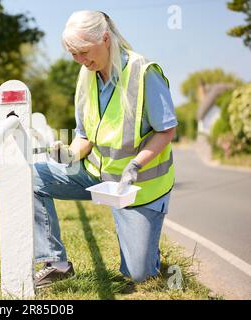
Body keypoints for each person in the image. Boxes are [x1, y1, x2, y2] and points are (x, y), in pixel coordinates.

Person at [33, 10, 177, 289]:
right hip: (97, 177)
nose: (80, 61)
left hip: (137, 187)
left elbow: (166, 131)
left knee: (139, 275)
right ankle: (56, 264)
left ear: (105, 39)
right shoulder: (86, 75)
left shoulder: (144, 72)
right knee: (32, 176)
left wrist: (135, 164)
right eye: (73, 54)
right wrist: (70, 154)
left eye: (84, 52)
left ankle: (147, 251)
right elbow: (85, 136)